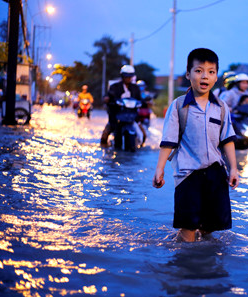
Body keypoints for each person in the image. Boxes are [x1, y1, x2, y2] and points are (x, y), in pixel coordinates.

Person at [152, 48, 239, 242]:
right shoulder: (178, 106)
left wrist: (233, 168)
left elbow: (227, 139)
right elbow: (168, 141)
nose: (204, 76)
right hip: (188, 176)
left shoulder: (221, 107)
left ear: (216, 76)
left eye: (210, 71)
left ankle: (206, 269)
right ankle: (185, 267)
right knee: (187, 230)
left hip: (216, 175)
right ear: (188, 74)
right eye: (199, 71)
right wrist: (159, 169)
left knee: (210, 230)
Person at [100, 65, 142, 146]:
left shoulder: (135, 88)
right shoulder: (114, 87)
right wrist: (107, 98)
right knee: (106, 133)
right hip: (116, 116)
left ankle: (141, 143)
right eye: (126, 76)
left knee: (142, 132)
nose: (128, 78)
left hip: (132, 116)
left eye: (130, 77)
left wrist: (146, 103)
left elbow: (140, 99)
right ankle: (104, 145)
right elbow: (108, 96)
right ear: (122, 76)